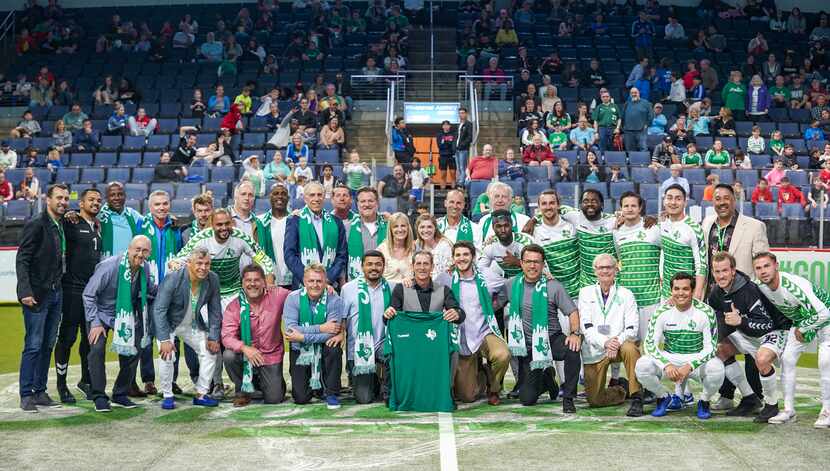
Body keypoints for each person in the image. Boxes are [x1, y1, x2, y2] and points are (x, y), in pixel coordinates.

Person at [494, 244, 581, 412]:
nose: (532, 266)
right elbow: (494, 306)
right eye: (528, 261)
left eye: (536, 262)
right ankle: (548, 378)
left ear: (543, 264)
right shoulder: (511, 284)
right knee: (527, 399)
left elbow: (572, 312)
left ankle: (569, 397)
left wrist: (575, 333)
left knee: (572, 349)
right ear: (521, 263)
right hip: (526, 347)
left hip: (551, 339)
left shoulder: (553, 286)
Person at [708, 252, 791, 423]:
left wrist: (741, 321)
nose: (721, 275)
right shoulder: (716, 293)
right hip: (748, 333)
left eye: (725, 270)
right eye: (717, 271)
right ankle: (750, 398)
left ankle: (771, 405)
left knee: (761, 359)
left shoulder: (749, 290)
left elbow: (767, 323)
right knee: (720, 347)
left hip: (774, 331)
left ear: (733, 271)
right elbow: (717, 321)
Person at [753, 252, 830, 427]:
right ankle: (789, 410)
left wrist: (804, 328)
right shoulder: (760, 286)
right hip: (802, 320)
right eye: (758, 268)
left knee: (825, 361)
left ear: (776, 266)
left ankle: (827, 411)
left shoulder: (793, 286)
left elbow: (824, 313)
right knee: (787, 359)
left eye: (767, 266)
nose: (763, 271)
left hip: (826, 317)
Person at [383, 250, 465, 412]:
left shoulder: (444, 290)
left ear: (432, 266)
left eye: (426, 263)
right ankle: (395, 391)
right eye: (418, 264)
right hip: (410, 344)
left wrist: (456, 313)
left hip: (433, 344)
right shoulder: (401, 289)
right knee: (395, 353)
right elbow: (389, 318)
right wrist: (388, 313)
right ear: (412, 266)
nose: (422, 267)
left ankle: (445, 391)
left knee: (453, 351)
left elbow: (459, 313)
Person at [84, 236, 158, 412]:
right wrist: (95, 323)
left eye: (145, 251)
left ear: (149, 253)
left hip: (125, 315)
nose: (140, 254)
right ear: (129, 249)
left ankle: (120, 393)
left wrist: (173, 283)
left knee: (136, 347)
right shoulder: (110, 265)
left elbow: (150, 290)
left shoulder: (145, 268)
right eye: (137, 249)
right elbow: (88, 295)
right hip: (101, 314)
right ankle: (99, 396)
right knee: (97, 349)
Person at [636, 273, 724, 419]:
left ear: (692, 290)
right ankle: (663, 397)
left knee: (717, 368)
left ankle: (704, 400)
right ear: (671, 291)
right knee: (642, 365)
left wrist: (690, 365)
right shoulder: (661, 312)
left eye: (685, 289)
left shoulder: (706, 312)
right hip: (671, 359)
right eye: (676, 289)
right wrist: (666, 365)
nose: (680, 293)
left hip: (696, 360)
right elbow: (650, 345)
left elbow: (711, 348)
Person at [16, 184, 70, 412]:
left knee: (48, 344)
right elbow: (22, 259)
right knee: (34, 345)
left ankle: (39, 390)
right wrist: (25, 291)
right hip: (37, 295)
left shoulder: (62, 224)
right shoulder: (37, 224)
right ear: (47, 200)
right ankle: (26, 393)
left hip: (56, 292)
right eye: (59, 198)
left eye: (66, 198)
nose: (63, 202)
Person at [443, 240, 510, 405]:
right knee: (466, 396)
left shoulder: (486, 275)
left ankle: (494, 388)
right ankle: (482, 373)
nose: (462, 258)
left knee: (502, 355)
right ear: (453, 258)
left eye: (466, 254)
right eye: (458, 255)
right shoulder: (445, 279)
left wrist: (497, 304)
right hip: (460, 336)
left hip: (484, 332)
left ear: (473, 256)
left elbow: (508, 286)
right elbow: (426, 289)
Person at [153, 247, 221, 409]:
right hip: (169, 324)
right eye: (199, 263)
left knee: (210, 351)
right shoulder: (173, 278)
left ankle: (201, 393)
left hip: (192, 324)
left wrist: (213, 336)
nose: (203, 268)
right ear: (189, 263)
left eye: (207, 264)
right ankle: (168, 394)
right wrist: (164, 339)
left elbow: (215, 311)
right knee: (167, 354)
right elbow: (159, 309)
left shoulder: (213, 279)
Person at [54, 188, 102, 404]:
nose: (96, 203)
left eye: (98, 200)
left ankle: (86, 381)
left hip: (92, 294)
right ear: (81, 203)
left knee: (89, 340)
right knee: (67, 338)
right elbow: (58, 219)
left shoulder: (98, 227)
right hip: (72, 289)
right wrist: (68, 213)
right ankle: (61, 385)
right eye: (91, 200)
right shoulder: (71, 222)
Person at [579, 254, 643, 415]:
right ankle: (622, 390)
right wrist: (605, 342)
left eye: (609, 267)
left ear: (616, 269)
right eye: (601, 267)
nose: (605, 271)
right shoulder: (585, 293)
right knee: (594, 400)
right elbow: (586, 326)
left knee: (631, 349)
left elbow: (632, 328)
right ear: (595, 271)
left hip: (620, 346)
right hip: (596, 348)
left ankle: (637, 397)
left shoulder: (626, 294)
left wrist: (615, 342)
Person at [222, 264, 291, 407]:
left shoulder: (277, 295)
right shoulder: (235, 306)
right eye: (248, 280)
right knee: (229, 355)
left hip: (270, 355)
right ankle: (243, 390)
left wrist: (325, 288)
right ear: (242, 283)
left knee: (274, 398)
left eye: (257, 280)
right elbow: (227, 337)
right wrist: (245, 348)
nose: (252, 284)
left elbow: (301, 295)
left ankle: (267, 382)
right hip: (246, 355)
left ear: (264, 282)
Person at [283, 263, 345, 408]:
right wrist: (321, 328)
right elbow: (291, 332)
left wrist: (303, 336)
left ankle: (331, 393)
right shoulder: (293, 298)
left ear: (325, 282)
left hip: (324, 348)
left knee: (334, 348)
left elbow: (332, 333)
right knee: (301, 398)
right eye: (311, 281)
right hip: (300, 349)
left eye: (319, 281)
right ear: (304, 282)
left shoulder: (334, 299)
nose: (315, 285)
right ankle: (314, 386)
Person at [340, 251, 393, 403]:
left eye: (378, 264)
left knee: (398, 354)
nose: (373, 268)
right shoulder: (348, 289)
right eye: (369, 264)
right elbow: (343, 319)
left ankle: (389, 389)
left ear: (384, 267)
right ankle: (374, 381)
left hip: (383, 343)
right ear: (362, 266)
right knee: (364, 398)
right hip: (359, 347)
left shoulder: (392, 287)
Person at [614, 192, 662, 344]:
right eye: (626, 206)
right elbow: (618, 259)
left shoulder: (653, 227)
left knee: (650, 346)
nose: (629, 209)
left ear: (640, 208)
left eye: (633, 205)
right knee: (628, 347)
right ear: (621, 209)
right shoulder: (616, 232)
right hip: (627, 299)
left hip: (651, 299)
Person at [284, 181, 348, 289]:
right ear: (305, 198)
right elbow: (289, 255)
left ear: (324, 197)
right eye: (312, 195)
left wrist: (328, 279)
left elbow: (342, 255)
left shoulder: (336, 222)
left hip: (330, 285)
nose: (316, 199)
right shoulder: (295, 220)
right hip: (303, 284)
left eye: (319, 195)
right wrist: (308, 278)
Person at [521, 190, 580, 298]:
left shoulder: (572, 225)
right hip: (552, 293)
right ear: (538, 208)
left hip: (577, 291)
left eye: (552, 203)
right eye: (544, 204)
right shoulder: (534, 231)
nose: (548, 207)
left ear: (558, 205)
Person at [561, 189, 618, 289]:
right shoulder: (576, 217)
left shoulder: (613, 221)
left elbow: (633, 217)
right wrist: (534, 219)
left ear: (602, 205)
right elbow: (552, 208)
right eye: (585, 201)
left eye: (594, 201)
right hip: (587, 284)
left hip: (610, 281)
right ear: (580, 205)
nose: (589, 204)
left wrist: (648, 219)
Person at [661, 184, 707, 301]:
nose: (673, 202)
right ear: (664, 201)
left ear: (685, 202)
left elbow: (701, 265)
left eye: (678, 198)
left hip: (687, 295)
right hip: (666, 294)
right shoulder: (661, 225)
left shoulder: (694, 228)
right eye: (669, 198)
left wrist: (696, 295)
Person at [477, 209, 533, 293]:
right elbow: (479, 270)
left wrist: (517, 262)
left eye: (506, 225)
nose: (503, 230)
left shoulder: (526, 242)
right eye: (498, 226)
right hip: (508, 282)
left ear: (512, 225)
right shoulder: (490, 245)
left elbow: (539, 268)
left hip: (530, 281)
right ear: (493, 227)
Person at [257, 185, 292, 288]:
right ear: (270, 197)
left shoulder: (295, 221)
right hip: (268, 279)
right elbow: (256, 252)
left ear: (288, 198)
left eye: (283, 194)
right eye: (276, 194)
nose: (280, 196)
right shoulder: (260, 222)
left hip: (292, 279)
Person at [98, 182, 143, 258]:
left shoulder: (133, 214)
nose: (117, 198)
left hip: (128, 265)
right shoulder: (99, 216)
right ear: (106, 198)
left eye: (120, 194)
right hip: (106, 266)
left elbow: (150, 222)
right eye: (112, 195)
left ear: (125, 196)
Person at [377, 211, 415, 284]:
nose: (400, 230)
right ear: (390, 230)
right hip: (388, 292)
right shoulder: (382, 250)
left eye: (403, 226)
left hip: (409, 293)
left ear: (408, 228)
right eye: (395, 226)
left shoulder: (415, 248)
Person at [621, 87, 653, 152]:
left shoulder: (646, 103)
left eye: (635, 92)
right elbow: (622, 116)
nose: (634, 94)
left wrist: (647, 124)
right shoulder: (627, 103)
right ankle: (633, 162)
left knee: (643, 148)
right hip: (628, 131)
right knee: (630, 149)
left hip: (641, 130)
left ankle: (643, 162)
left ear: (639, 93)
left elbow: (651, 115)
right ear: (630, 94)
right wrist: (623, 127)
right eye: (632, 93)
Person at [435, 120, 456, 190]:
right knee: (443, 174)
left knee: (453, 174)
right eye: (444, 125)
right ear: (442, 126)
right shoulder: (439, 135)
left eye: (447, 125)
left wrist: (446, 143)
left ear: (450, 126)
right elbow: (440, 145)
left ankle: (453, 189)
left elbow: (453, 144)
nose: (446, 126)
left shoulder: (453, 134)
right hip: (443, 156)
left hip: (451, 156)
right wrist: (448, 142)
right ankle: (442, 190)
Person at [455, 107, 473, 185]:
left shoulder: (468, 124)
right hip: (457, 149)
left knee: (463, 167)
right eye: (459, 113)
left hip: (463, 149)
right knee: (458, 168)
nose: (461, 114)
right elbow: (456, 137)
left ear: (466, 114)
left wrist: (462, 145)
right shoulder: (458, 124)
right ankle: (460, 182)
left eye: (462, 113)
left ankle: (461, 184)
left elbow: (469, 137)